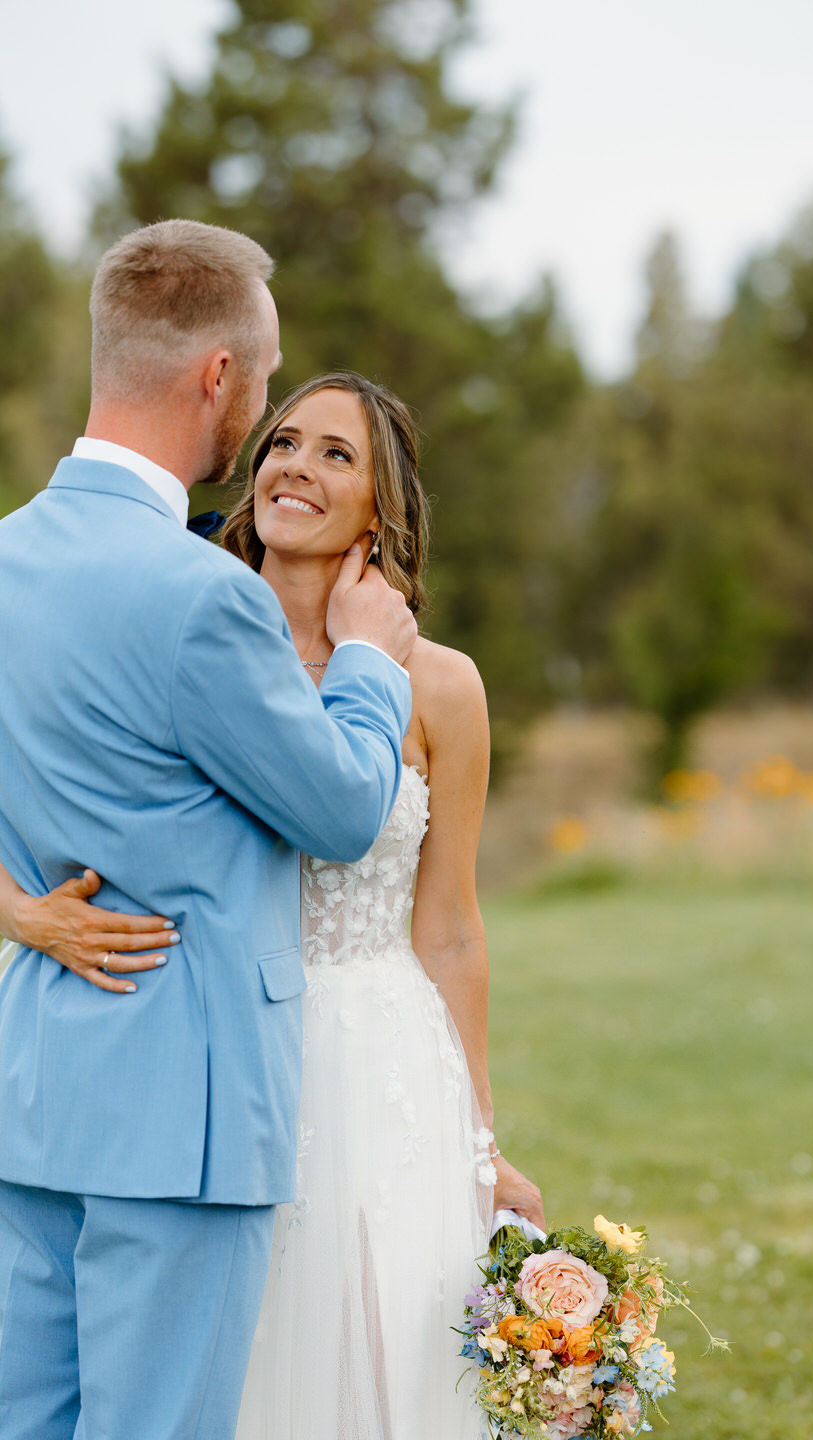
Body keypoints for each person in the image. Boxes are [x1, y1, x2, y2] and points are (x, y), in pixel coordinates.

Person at [4, 371, 544, 1439]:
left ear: (384, 507)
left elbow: (449, 927)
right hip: (204, 1055)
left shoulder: (440, 686)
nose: (298, 464)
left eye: (338, 453)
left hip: (378, 1066)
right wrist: (19, 909)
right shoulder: (181, 621)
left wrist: (483, 1142)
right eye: (285, 441)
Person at [0, 221, 418, 1440]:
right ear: (219, 377)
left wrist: (13, 909)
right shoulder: (202, 596)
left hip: (31, 1097)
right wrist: (372, 674)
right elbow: (343, 811)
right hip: (182, 1126)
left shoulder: (6, 559)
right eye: (271, 377)